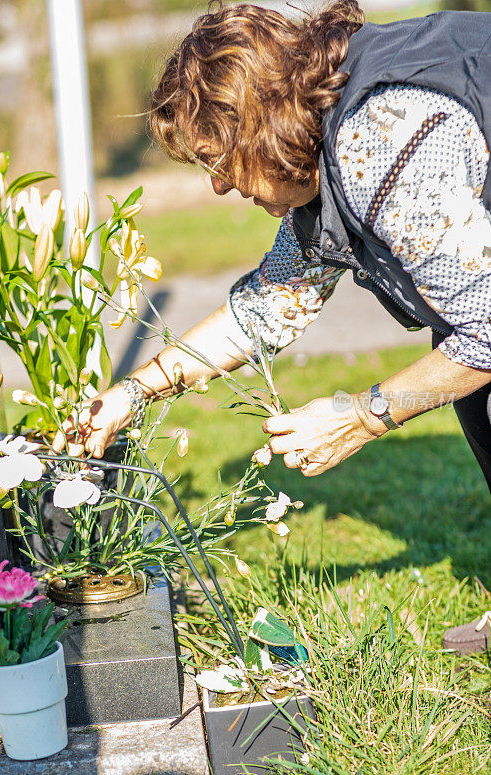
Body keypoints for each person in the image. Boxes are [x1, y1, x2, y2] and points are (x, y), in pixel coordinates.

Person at [56, 2, 491, 653]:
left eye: (216, 160)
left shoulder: (378, 147)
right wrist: (131, 393)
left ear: (259, 128)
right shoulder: (324, 163)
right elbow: (261, 311)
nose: (218, 188)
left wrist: (362, 415)